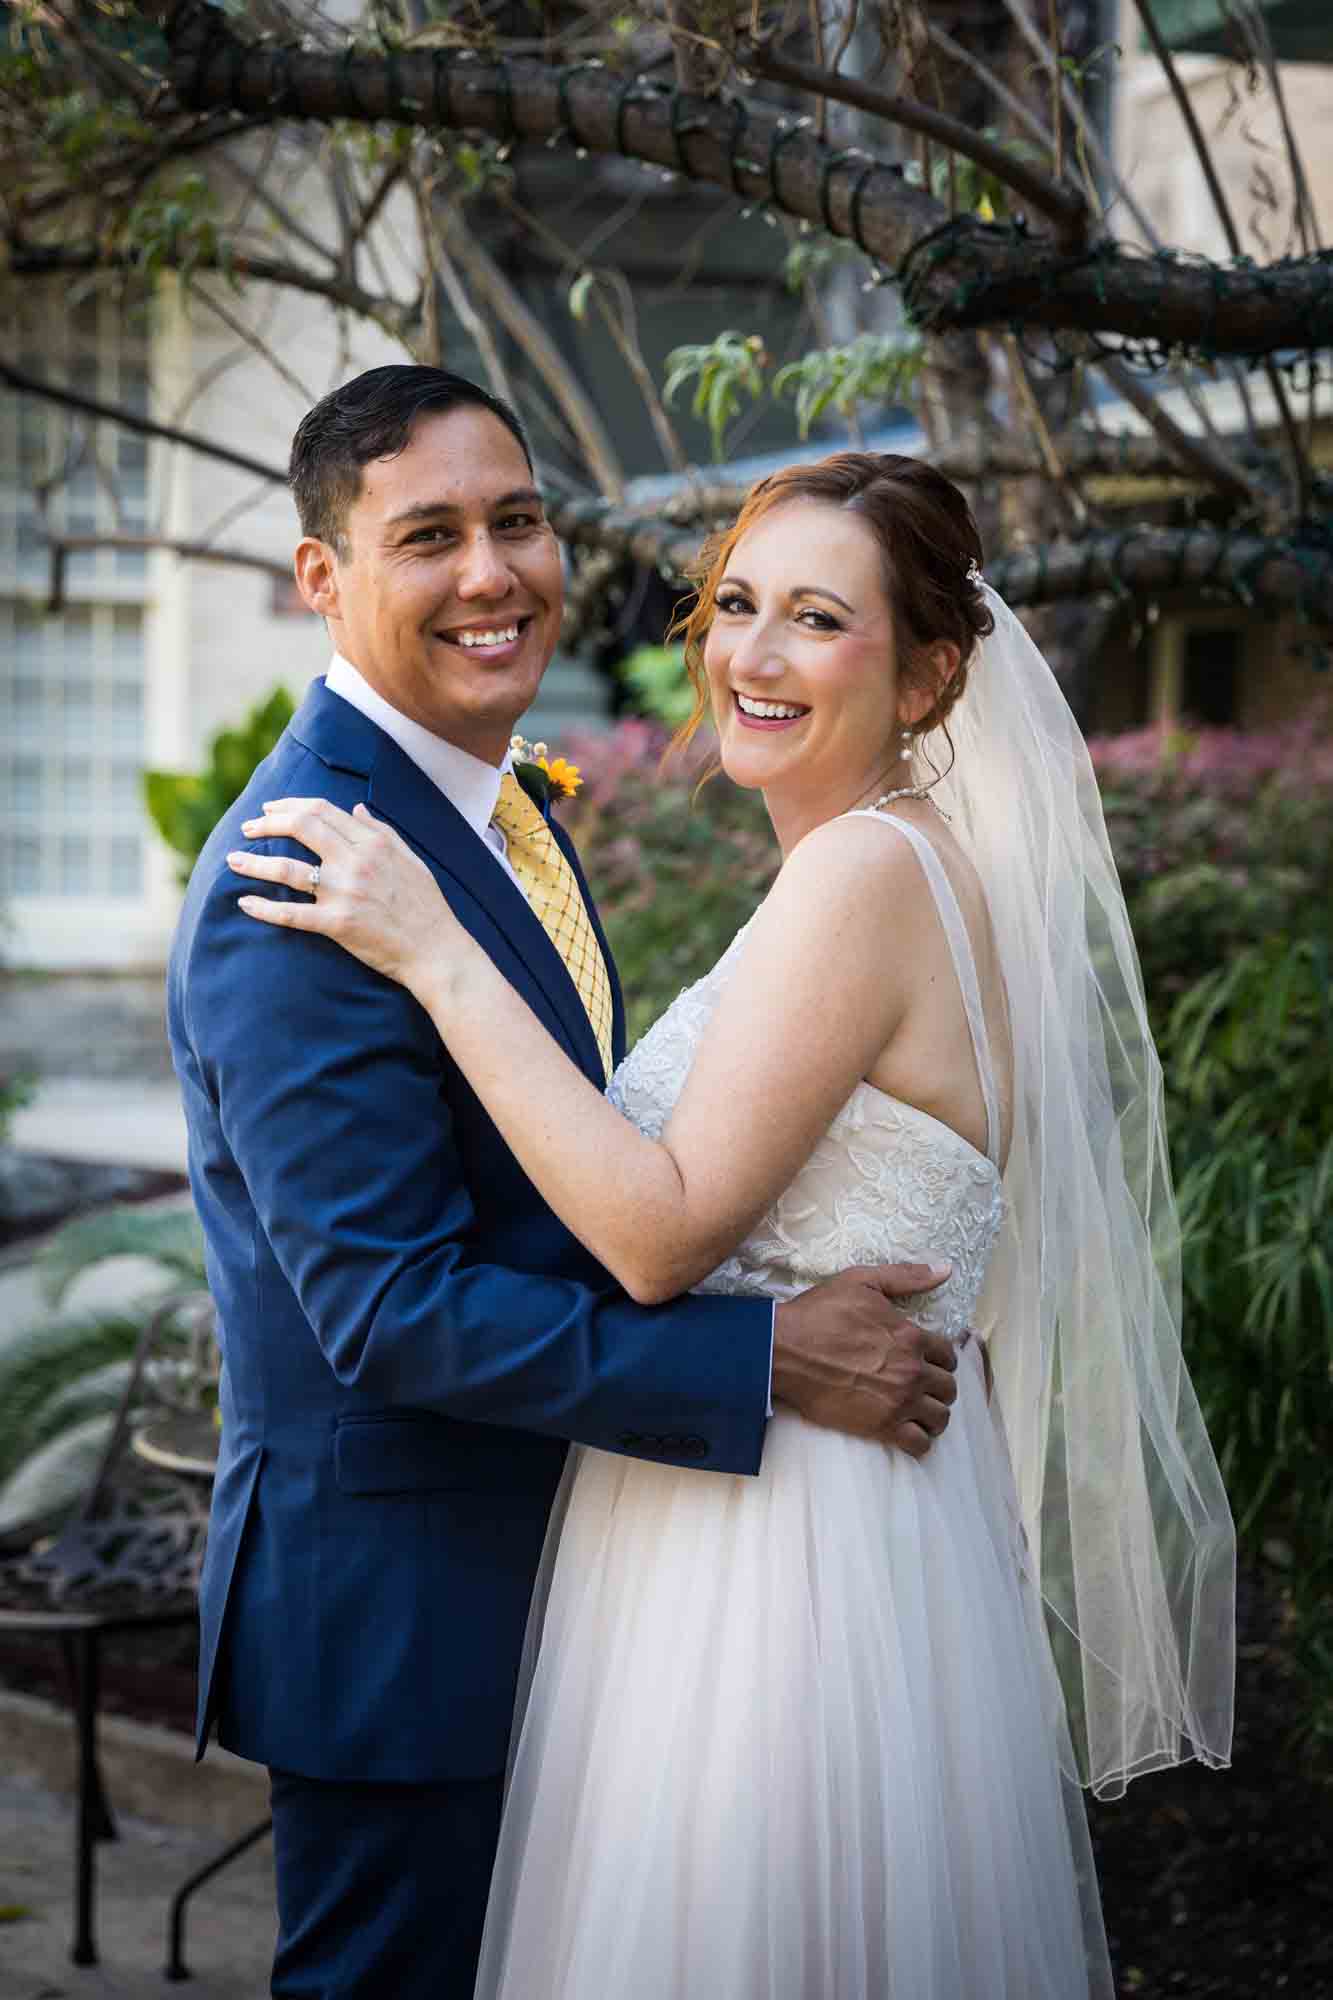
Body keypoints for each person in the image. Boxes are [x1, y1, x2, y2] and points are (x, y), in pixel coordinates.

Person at [232, 449, 1237, 1998]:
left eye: (816, 620)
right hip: (792, 1503)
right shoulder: (875, 873)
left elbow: (657, 1231)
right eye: (735, 607)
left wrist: (435, 951)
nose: (750, 657)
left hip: (786, 1565)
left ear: (927, 676)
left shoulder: (862, 876)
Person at [166, 370, 964, 2000]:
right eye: (429, 536)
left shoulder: (485, 814)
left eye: (517, 520)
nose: (493, 573)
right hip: (408, 1619)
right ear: (322, 579)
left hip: (598, 1585)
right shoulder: (307, 877)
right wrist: (760, 1359)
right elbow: (388, 1312)